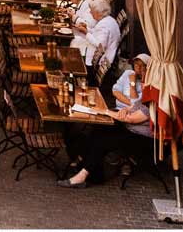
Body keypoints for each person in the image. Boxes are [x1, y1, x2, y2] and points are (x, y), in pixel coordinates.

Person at [60, 55, 159, 187]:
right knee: (99, 129)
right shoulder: (148, 90)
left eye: (145, 70)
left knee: (103, 139)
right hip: (129, 126)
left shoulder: (153, 95)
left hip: (142, 138)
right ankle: (91, 172)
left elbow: (131, 119)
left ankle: (83, 172)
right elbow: (131, 105)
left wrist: (105, 111)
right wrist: (126, 110)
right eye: (138, 67)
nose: (140, 71)